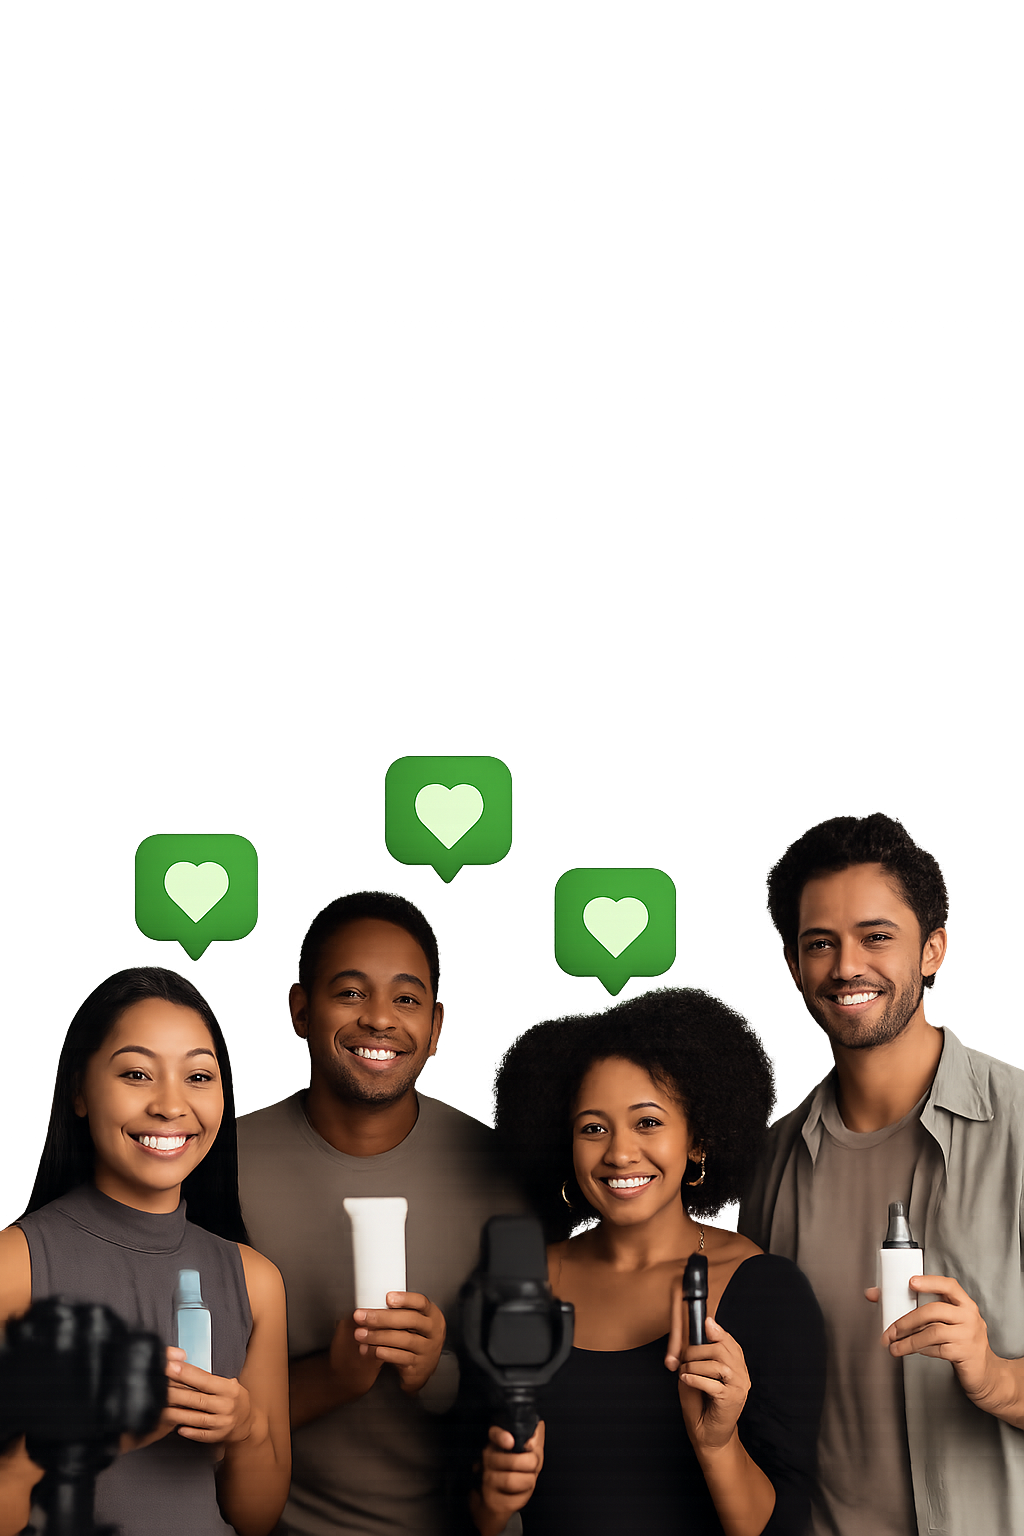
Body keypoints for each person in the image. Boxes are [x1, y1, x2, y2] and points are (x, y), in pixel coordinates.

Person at [739, 813, 1024, 1536]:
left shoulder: (1019, 1129)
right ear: (793, 968)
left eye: (877, 937)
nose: (845, 967)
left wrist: (994, 1376)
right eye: (820, 944)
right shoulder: (770, 1165)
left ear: (931, 951)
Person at [473, 988, 825, 1536]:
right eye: (593, 1128)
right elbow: (469, 1501)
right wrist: (493, 1502)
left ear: (699, 1141)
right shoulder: (519, 1281)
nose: (618, 1152)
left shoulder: (766, 1293)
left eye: (648, 1122)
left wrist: (717, 1444)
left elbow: (783, 1527)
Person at [236, 891, 524, 1536]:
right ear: (301, 1010)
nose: (380, 1020)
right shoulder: (221, 1168)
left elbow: (524, 1392)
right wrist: (333, 1379)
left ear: (436, 1025)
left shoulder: (498, 1173)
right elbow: (202, 1405)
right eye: (349, 993)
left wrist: (437, 1369)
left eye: (406, 998)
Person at [0, 966, 290, 1536]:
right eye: (137, 1073)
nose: (171, 1105)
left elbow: (256, 1519)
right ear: (79, 1090)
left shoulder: (256, 1281)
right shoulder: (14, 1267)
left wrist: (247, 1427)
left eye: (199, 1078)